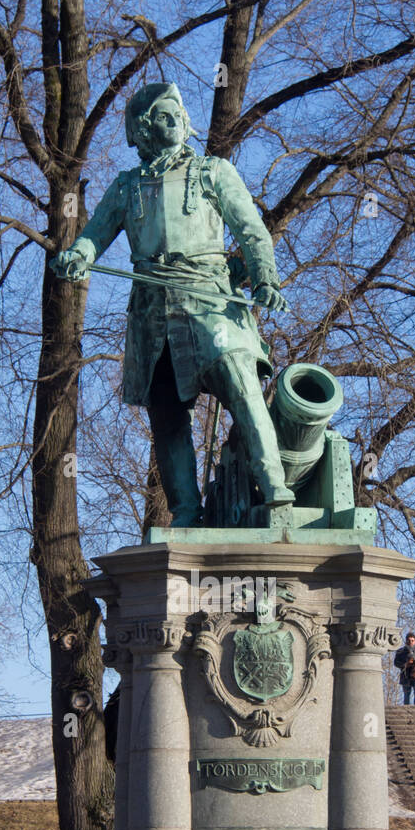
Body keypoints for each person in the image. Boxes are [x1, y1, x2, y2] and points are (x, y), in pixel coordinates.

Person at [49, 81, 293, 526]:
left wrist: (265, 277)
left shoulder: (212, 172)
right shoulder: (126, 188)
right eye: (163, 116)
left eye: (177, 114)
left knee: (241, 385)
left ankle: (276, 488)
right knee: (166, 414)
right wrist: (78, 256)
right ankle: (185, 510)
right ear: (142, 132)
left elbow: (251, 229)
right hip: (153, 313)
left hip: (211, 300)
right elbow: (94, 235)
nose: (176, 122)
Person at [394, 632, 415, 705]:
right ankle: (406, 711)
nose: (411, 642)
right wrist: (406, 664)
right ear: (406, 641)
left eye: (412, 640)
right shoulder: (400, 651)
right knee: (406, 695)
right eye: (409, 640)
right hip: (406, 676)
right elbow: (396, 663)